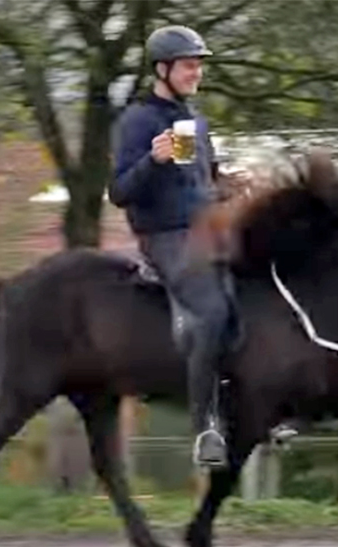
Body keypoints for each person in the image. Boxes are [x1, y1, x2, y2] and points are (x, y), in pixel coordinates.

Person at [108, 25, 232, 469]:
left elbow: (206, 181)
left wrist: (233, 188)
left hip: (207, 228)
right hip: (165, 237)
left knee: (262, 289)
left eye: (199, 64)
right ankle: (206, 428)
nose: (196, 72)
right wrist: (152, 160)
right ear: (162, 69)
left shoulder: (194, 120)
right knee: (212, 312)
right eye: (188, 64)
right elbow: (119, 191)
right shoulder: (138, 120)